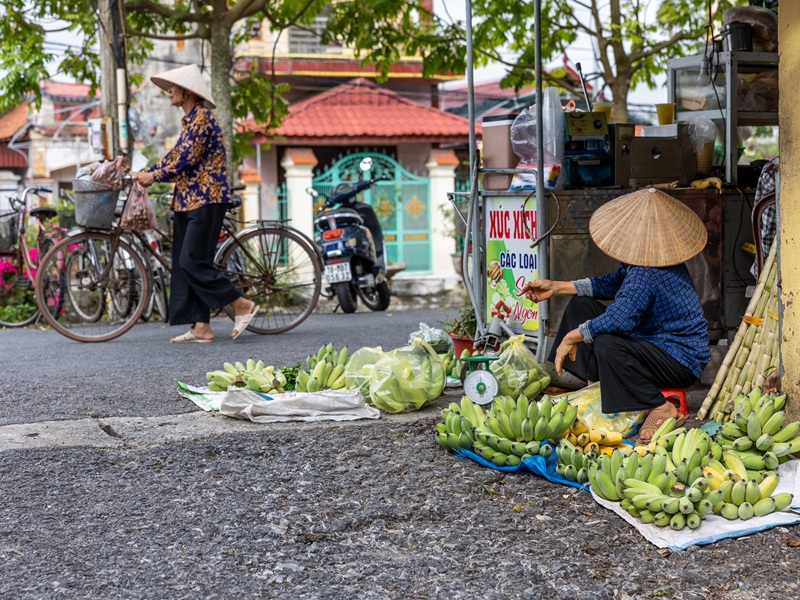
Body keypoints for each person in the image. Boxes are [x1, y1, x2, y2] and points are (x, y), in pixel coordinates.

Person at [521, 187, 711, 442]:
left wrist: (571, 337)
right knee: (581, 306)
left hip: (680, 359)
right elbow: (614, 283)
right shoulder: (642, 263)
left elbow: (620, 319)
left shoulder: (648, 270)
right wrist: (557, 287)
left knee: (607, 343)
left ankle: (661, 406)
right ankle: (592, 384)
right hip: (652, 341)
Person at [131, 63, 256, 343]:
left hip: (207, 197)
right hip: (187, 199)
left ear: (186, 92)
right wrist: (146, 172)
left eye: (172, 88)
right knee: (183, 262)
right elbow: (174, 156)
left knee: (192, 261)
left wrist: (154, 176)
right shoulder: (189, 121)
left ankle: (241, 304)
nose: (169, 93)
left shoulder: (201, 118)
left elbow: (186, 161)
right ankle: (201, 326)